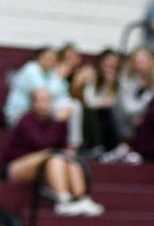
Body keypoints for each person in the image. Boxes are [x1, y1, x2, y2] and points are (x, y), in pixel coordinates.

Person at [2, 87, 103, 218]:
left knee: (68, 161)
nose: (44, 104)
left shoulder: (54, 121)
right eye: (41, 100)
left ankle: (81, 198)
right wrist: (58, 122)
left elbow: (63, 147)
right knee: (54, 158)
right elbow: (42, 143)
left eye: (47, 100)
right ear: (33, 103)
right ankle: (63, 199)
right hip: (17, 165)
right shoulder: (26, 120)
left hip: (48, 164)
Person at [116, 47, 154, 141]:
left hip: (153, 114)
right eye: (137, 62)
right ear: (132, 64)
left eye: (143, 62)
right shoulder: (125, 77)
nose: (140, 66)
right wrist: (150, 93)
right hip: (130, 118)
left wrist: (145, 116)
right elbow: (129, 109)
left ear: (151, 61)